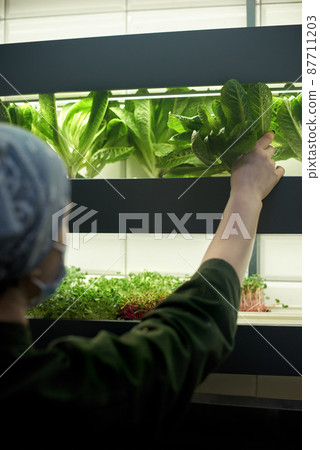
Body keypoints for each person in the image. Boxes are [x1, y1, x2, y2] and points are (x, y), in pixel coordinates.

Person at [0, 123, 284, 443]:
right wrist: (246, 194)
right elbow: (192, 325)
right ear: (34, 245)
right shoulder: (63, 394)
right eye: (61, 217)